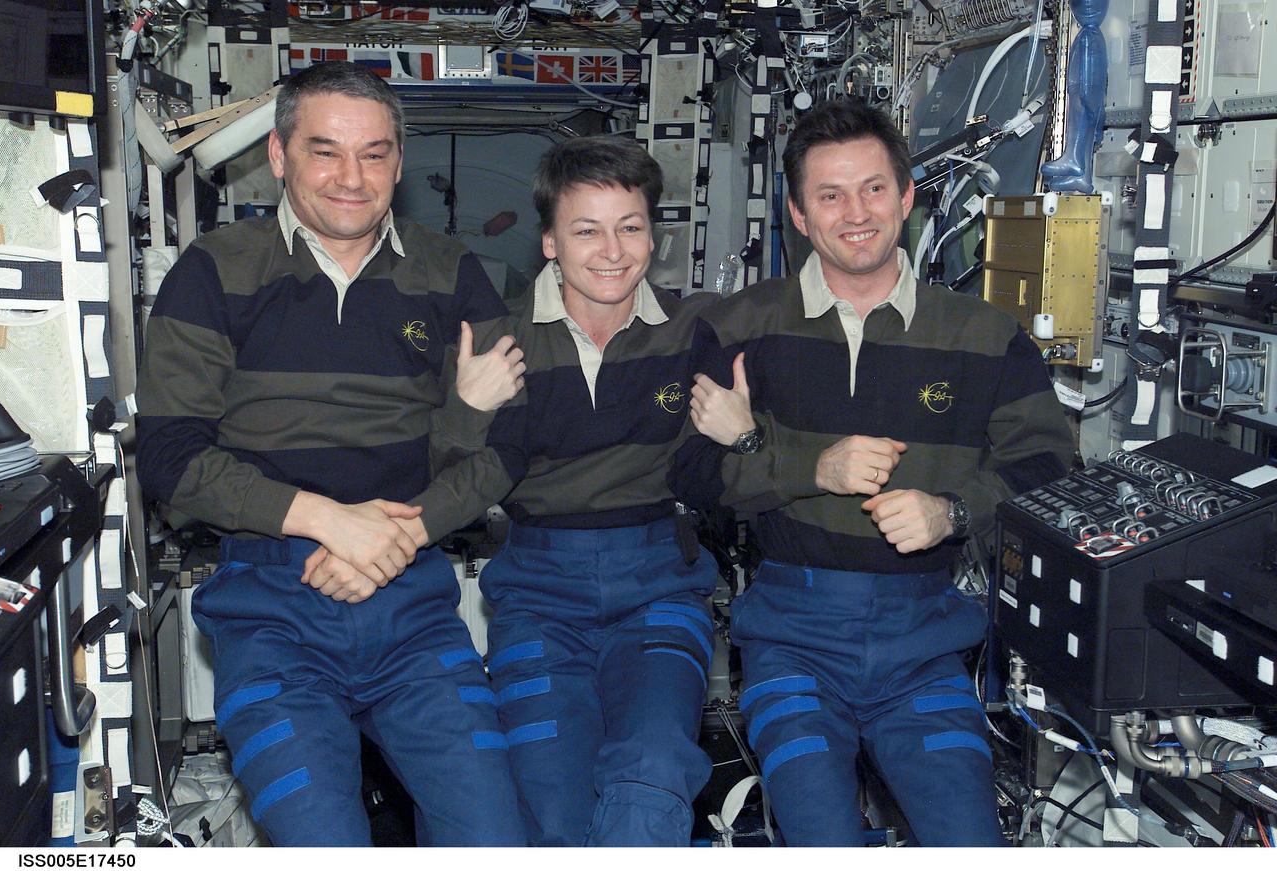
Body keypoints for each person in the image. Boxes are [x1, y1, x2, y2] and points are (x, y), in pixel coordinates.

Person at [136, 61, 528, 846]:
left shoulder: (451, 275)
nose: (352, 177)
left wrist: (400, 534)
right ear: (279, 155)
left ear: (399, 161)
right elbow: (171, 457)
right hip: (270, 606)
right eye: (325, 151)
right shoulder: (215, 272)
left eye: (375, 153)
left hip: (412, 603)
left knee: (493, 838)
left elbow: (512, 443)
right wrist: (328, 521)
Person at [683, 98, 1073, 846]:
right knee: (821, 834)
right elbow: (687, 469)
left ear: (907, 196)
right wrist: (806, 467)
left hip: (922, 644)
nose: (854, 212)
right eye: (829, 195)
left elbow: (1051, 468)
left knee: (971, 841)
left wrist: (954, 511)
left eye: (872, 188)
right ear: (798, 214)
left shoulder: (984, 337)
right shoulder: (739, 327)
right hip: (792, 639)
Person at [310, 136, 718, 845]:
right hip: (539, 595)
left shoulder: (694, 331)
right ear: (551, 242)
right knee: (547, 808)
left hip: (658, 588)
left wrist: (741, 437)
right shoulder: (500, 340)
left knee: (652, 772)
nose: (613, 250)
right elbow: (454, 474)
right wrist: (464, 412)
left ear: (654, 235)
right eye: (586, 229)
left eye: (631, 227)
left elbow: (731, 472)